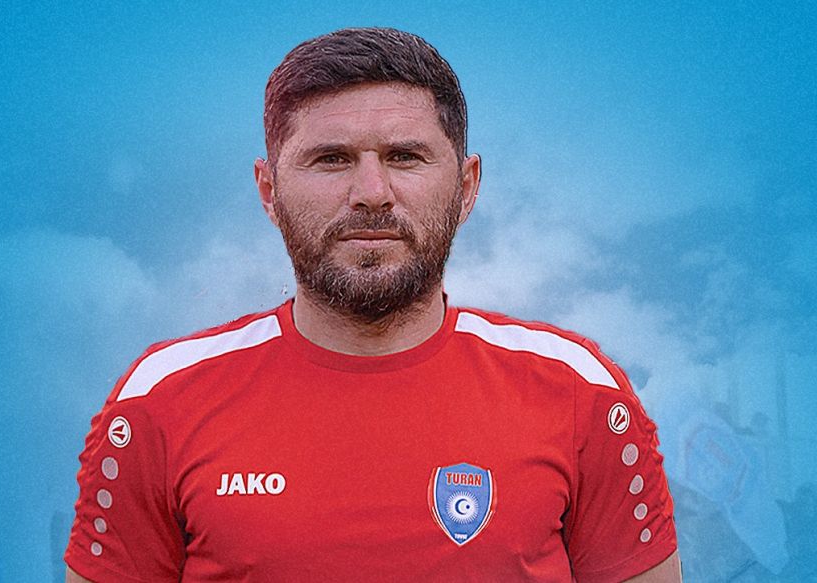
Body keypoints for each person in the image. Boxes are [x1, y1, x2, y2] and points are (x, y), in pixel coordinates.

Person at [64, 27, 681, 582]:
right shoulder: (159, 403)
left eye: (404, 156)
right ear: (269, 190)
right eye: (331, 159)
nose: (371, 192)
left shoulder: (580, 394)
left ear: (466, 187)